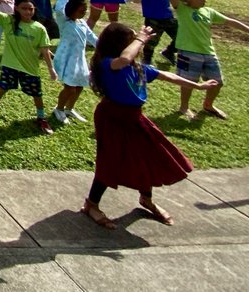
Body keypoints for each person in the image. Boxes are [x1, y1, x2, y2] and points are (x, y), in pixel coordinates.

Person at [82, 23, 217, 228]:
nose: (137, 45)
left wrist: (198, 86)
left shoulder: (138, 68)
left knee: (148, 157)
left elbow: (168, 76)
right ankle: (91, 205)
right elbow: (125, 58)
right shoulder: (108, 64)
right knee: (110, 160)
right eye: (131, 41)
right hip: (112, 116)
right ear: (120, 44)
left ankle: (146, 199)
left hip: (134, 117)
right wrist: (141, 38)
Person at [170, 0, 249, 119]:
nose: (204, 1)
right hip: (188, 51)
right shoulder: (183, 9)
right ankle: (184, 108)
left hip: (208, 52)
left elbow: (229, 21)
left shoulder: (209, 12)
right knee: (189, 81)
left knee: (217, 82)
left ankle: (208, 105)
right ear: (187, 0)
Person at [0, 0, 58, 134]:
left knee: (37, 93)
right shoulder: (9, 21)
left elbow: (45, 50)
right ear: (16, 8)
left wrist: (51, 69)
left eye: (31, 9)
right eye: (24, 8)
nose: (28, 12)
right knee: (2, 87)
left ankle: (41, 118)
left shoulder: (39, 28)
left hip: (30, 68)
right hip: (10, 65)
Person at [52, 0, 97, 124]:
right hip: (67, 58)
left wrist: (104, 47)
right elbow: (59, 8)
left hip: (79, 59)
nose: (84, 13)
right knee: (70, 87)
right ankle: (59, 109)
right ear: (71, 9)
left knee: (80, 86)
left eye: (85, 10)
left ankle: (69, 108)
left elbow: (93, 37)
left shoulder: (82, 23)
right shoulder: (64, 21)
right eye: (81, 10)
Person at [133, 0, 184, 65]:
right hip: (153, 19)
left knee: (181, 37)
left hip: (168, 17)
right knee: (152, 41)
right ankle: (147, 59)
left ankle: (169, 51)